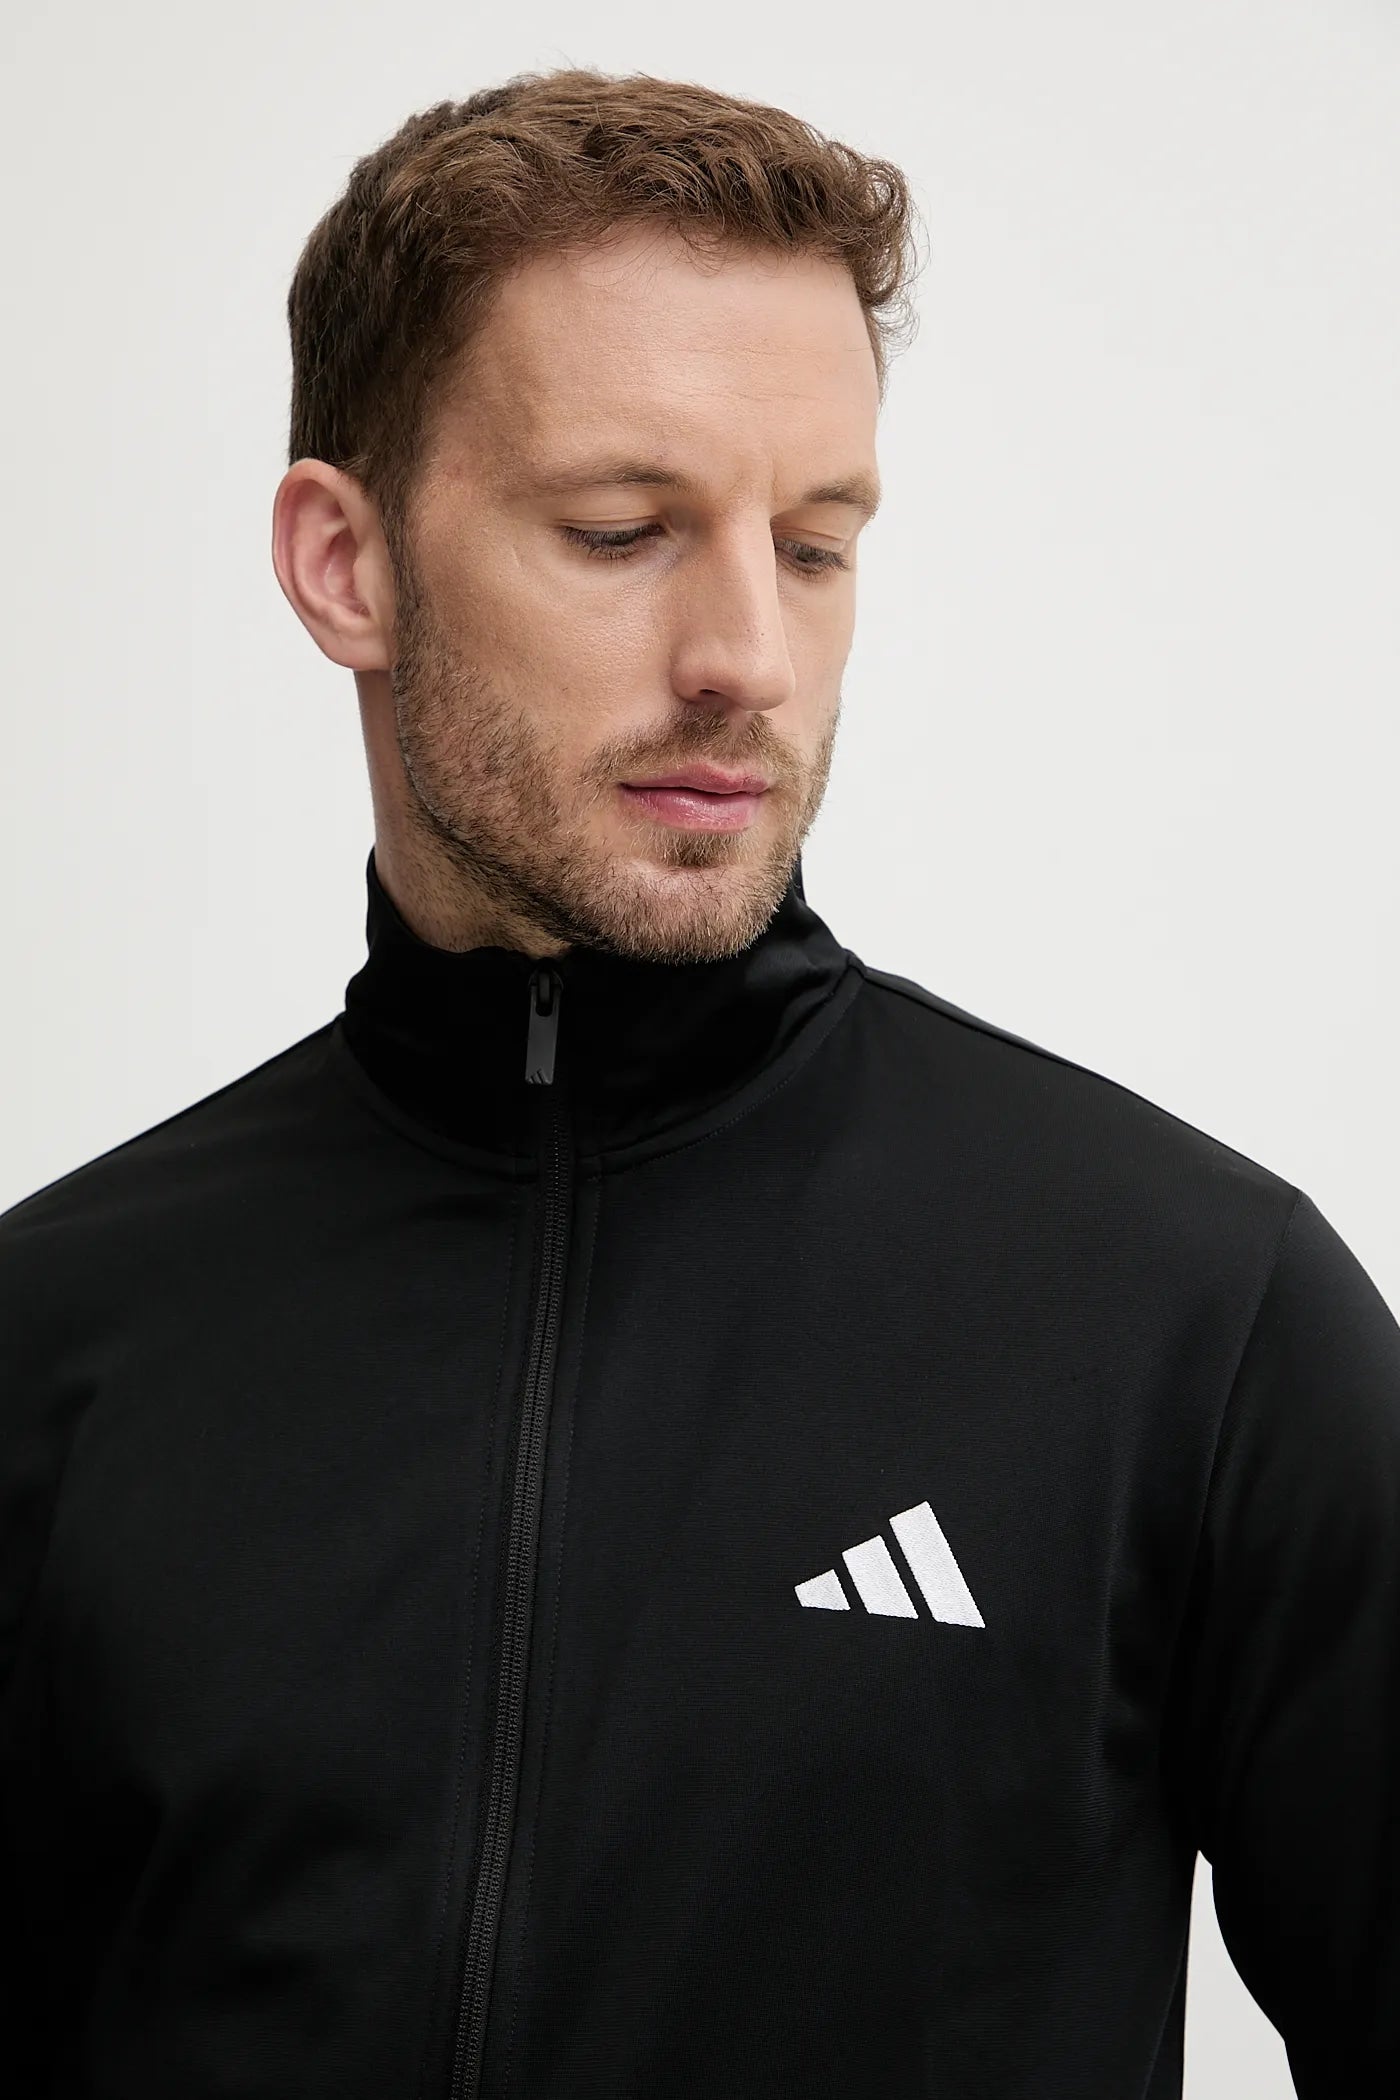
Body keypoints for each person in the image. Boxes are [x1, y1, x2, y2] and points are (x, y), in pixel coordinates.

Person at [1, 65, 1396, 2100]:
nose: (749, 652)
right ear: (345, 564)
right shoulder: (54, 1347)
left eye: (815, 545)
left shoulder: (1195, 1317)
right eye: (624, 529)